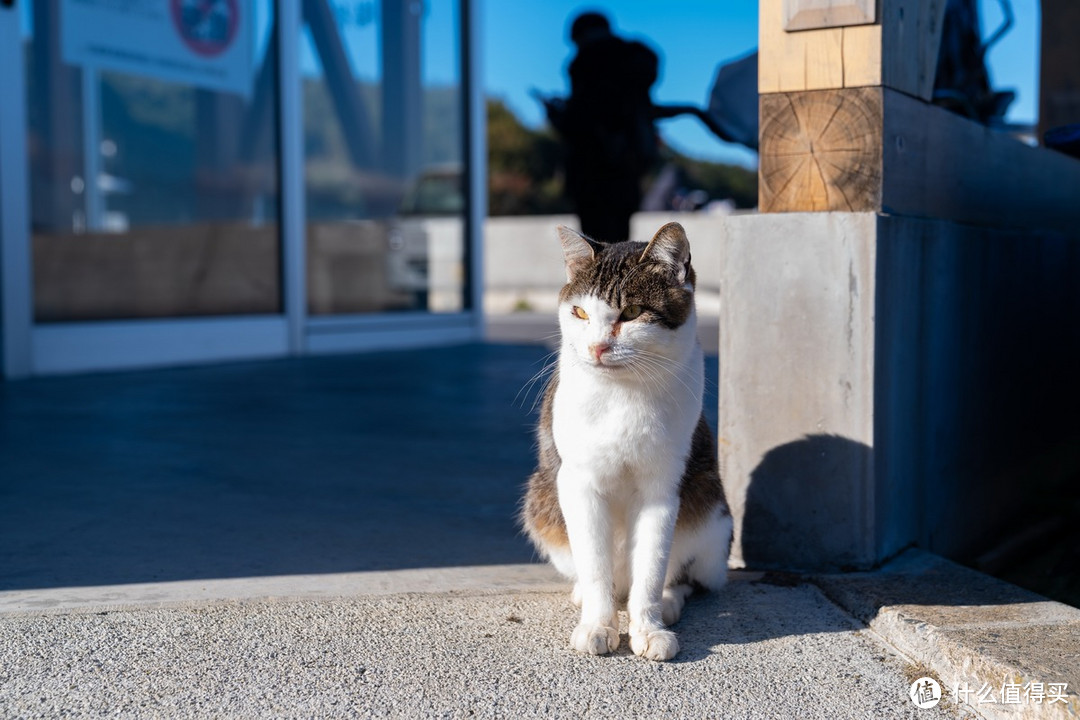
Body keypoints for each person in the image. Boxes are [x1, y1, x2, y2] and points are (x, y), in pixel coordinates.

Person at [539, 12, 661, 243]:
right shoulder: (634, 59)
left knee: (595, 243)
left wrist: (557, 115)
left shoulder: (585, 63)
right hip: (628, 167)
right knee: (619, 238)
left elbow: (581, 122)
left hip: (592, 173)